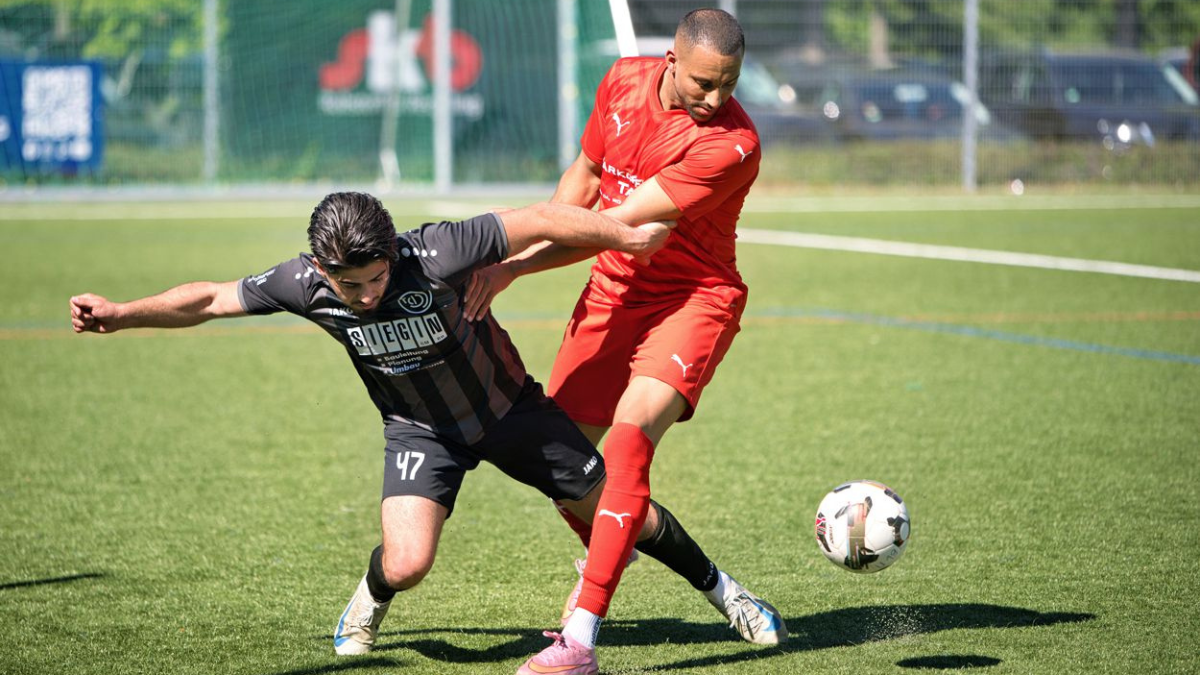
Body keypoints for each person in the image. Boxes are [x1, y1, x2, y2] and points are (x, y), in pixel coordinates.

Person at [69, 192, 691, 656]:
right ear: (319, 267)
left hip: (510, 410)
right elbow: (211, 298)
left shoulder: (438, 251)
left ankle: (725, 593)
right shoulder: (299, 282)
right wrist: (122, 313)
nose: (364, 296)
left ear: (392, 252)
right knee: (408, 563)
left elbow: (542, 217)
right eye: (347, 285)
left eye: (375, 279)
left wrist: (626, 238)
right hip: (420, 430)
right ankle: (371, 595)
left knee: (618, 512)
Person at [461, 9, 788, 675]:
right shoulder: (618, 81)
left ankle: (579, 640)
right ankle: (719, 587)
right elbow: (581, 183)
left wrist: (514, 263)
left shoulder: (734, 143)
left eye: (728, 84)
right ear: (671, 57)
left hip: (693, 298)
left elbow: (613, 221)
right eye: (702, 82)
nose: (715, 98)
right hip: (613, 291)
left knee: (630, 439)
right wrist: (515, 253)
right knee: (564, 469)